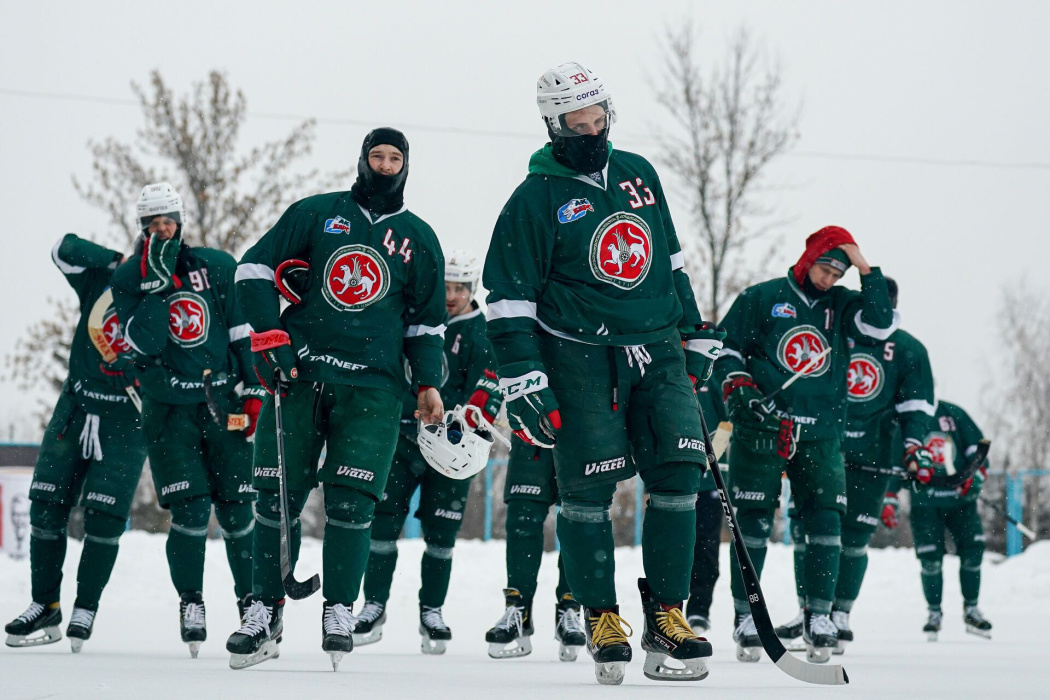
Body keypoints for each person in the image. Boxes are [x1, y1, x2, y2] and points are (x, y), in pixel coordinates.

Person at [483, 61, 723, 685]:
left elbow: (669, 263)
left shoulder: (640, 174)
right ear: (553, 125)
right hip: (579, 356)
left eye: (598, 119)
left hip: (659, 349)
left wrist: (695, 332)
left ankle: (668, 614)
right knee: (587, 489)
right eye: (577, 123)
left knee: (679, 472)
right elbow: (508, 301)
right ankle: (601, 616)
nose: (591, 131)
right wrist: (524, 378)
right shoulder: (534, 198)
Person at [226, 127, 446, 671]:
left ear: (406, 166)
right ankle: (264, 609)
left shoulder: (419, 237)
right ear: (364, 159)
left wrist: (428, 382)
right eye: (379, 155)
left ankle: (339, 609)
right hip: (301, 375)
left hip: (374, 387)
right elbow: (252, 268)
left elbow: (426, 323)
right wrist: (271, 336)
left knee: (352, 503)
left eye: (396, 157)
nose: (387, 164)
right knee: (276, 498)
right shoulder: (318, 212)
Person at [715, 226, 896, 663]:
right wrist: (738, 384)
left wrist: (865, 267)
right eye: (825, 267)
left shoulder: (843, 305)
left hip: (821, 431)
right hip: (763, 425)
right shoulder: (761, 297)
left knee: (826, 521)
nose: (830, 279)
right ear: (809, 258)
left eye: (839, 272)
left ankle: (819, 614)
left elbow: (882, 323)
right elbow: (725, 347)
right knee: (754, 520)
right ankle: (746, 615)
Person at [110, 182, 261, 658]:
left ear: (180, 221)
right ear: (142, 228)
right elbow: (148, 343)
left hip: (223, 405)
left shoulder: (217, 266)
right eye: (153, 224)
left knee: (238, 510)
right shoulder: (126, 278)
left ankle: (252, 605)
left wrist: (255, 389)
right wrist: (155, 283)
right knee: (191, 510)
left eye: (168, 221)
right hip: (168, 412)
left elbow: (241, 331)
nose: (162, 230)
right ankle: (191, 602)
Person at [352, 250, 502, 655]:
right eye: (446, 287)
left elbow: (488, 385)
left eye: (459, 288)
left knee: (442, 534)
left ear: (471, 289)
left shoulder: (480, 330)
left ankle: (431, 611)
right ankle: (374, 605)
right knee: (382, 524)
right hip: (400, 438)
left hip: (452, 448)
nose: (451, 295)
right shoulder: (413, 320)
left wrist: (469, 418)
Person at [774, 277, 935, 654]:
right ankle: (811, 611)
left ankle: (840, 613)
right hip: (819, 448)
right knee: (806, 533)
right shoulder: (831, 337)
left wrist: (913, 447)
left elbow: (917, 408)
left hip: (875, 457)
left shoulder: (910, 350)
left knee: (854, 538)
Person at [4, 235, 146, 653]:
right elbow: (61, 248)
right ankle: (43, 604)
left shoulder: (169, 298)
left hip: (126, 421)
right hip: (75, 410)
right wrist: (115, 260)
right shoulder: (101, 279)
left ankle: (87, 607)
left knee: (103, 518)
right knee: (46, 506)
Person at [891, 399, 992, 641]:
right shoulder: (906, 419)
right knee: (930, 560)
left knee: (972, 552)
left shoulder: (954, 413)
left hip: (960, 501)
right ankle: (934, 613)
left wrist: (975, 475)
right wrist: (891, 493)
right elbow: (895, 460)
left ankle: (971, 609)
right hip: (925, 502)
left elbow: (977, 451)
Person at [483, 443, 585, 662]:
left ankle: (569, 610)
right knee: (522, 520)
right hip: (530, 433)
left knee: (580, 519)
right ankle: (518, 611)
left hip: (581, 431)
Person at [684, 384, 728, 633]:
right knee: (672, 547)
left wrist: (715, 453)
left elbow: (727, 422)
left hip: (708, 480)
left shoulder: (715, 370)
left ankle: (699, 610)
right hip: (673, 475)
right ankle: (668, 609)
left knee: (705, 546)